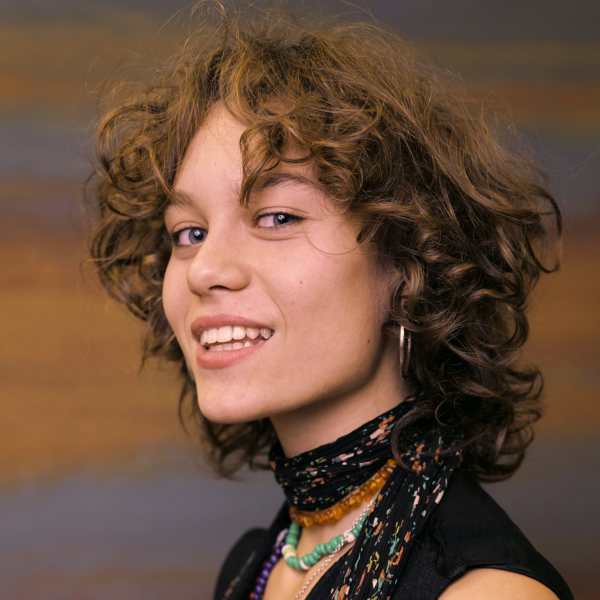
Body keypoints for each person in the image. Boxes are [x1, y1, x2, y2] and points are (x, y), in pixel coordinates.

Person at [87, 4, 573, 600]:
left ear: (409, 263)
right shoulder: (254, 565)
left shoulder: (483, 592)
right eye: (188, 232)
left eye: (277, 217)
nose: (205, 270)